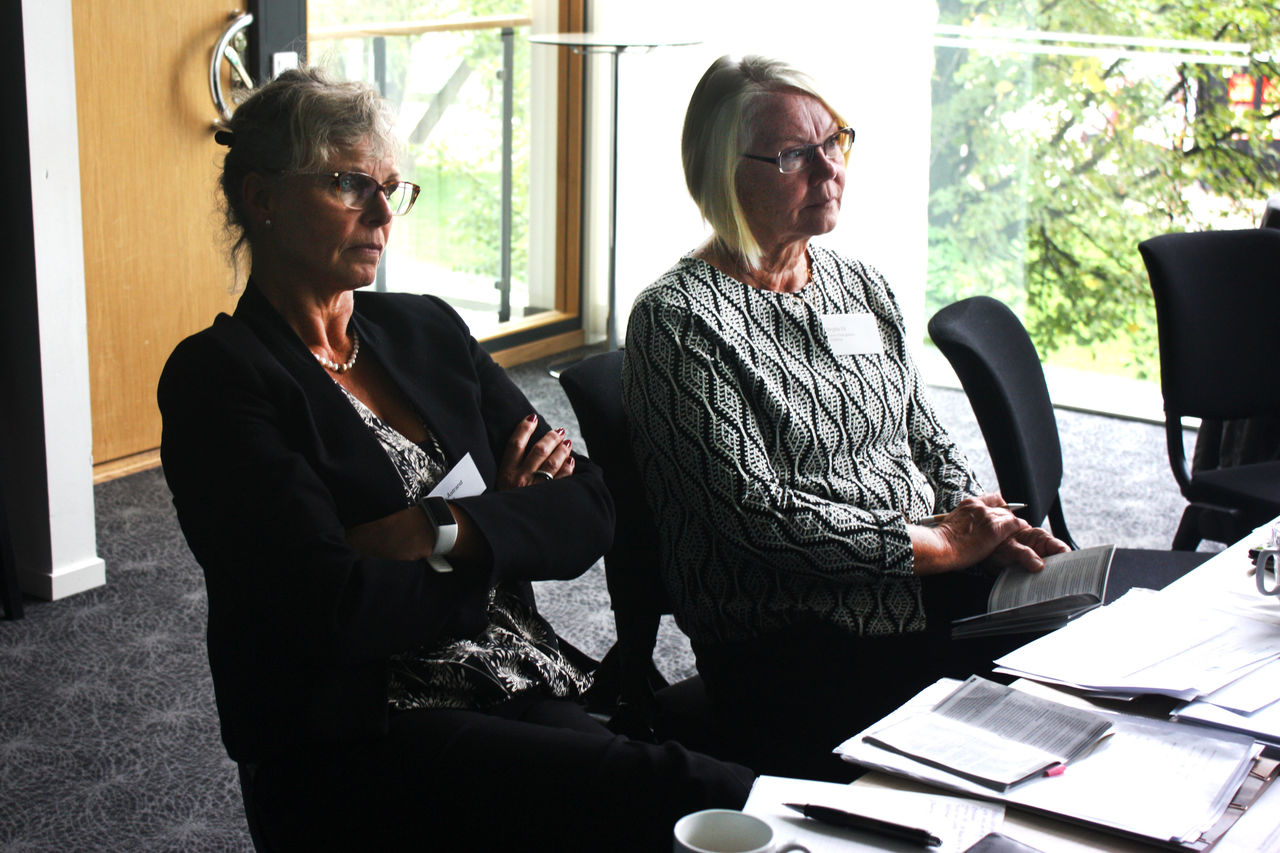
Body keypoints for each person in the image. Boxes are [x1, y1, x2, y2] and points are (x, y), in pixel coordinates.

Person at [158, 67, 752, 852]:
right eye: (347, 184)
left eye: (391, 189)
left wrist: (435, 527)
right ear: (261, 198)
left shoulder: (425, 329)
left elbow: (589, 510)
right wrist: (503, 528)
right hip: (365, 724)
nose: (381, 213)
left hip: (516, 674)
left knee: (694, 785)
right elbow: (332, 608)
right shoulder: (222, 376)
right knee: (694, 794)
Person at [621, 55, 1069, 782]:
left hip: (922, 582)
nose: (830, 170)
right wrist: (942, 545)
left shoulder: (857, 281)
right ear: (719, 171)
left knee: (1074, 641)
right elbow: (761, 521)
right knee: (1025, 718)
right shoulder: (677, 320)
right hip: (795, 634)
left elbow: (921, 434)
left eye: (836, 142)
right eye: (796, 154)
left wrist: (974, 516)